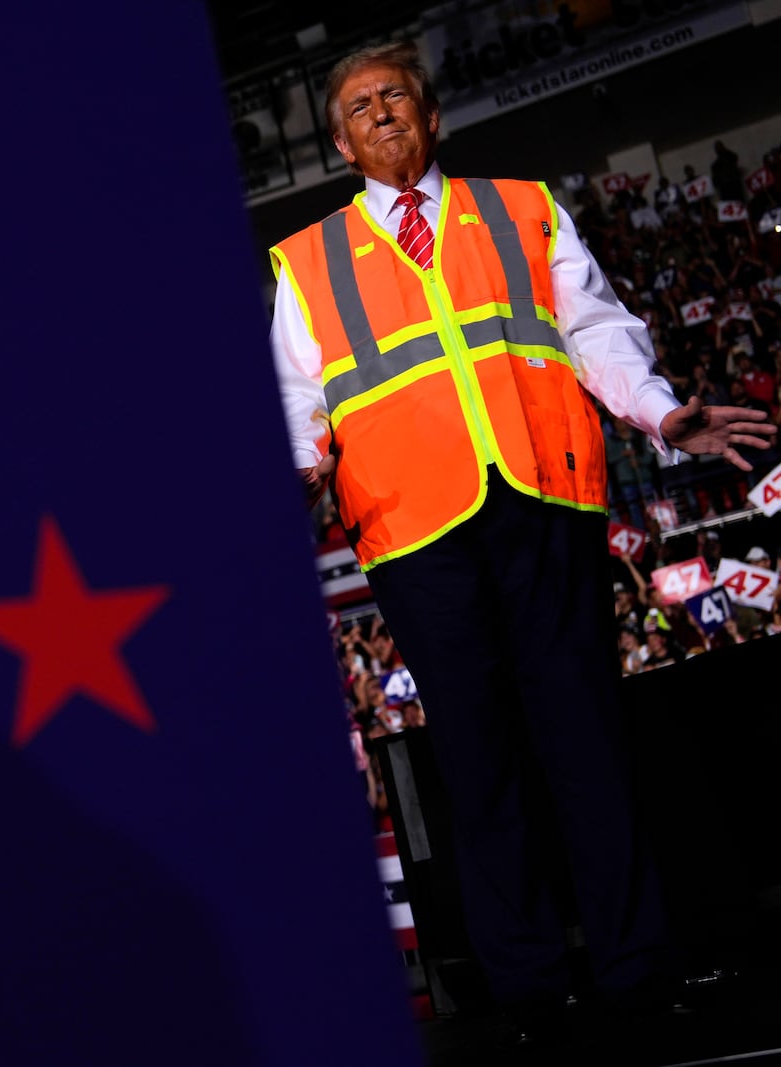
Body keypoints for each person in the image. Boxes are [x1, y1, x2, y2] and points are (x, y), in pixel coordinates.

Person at [267, 42, 778, 1036]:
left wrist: (664, 415)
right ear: (337, 141)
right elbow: (296, 399)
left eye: (396, 96)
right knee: (477, 759)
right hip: (414, 530)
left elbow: (594, 329)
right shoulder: (308, 258)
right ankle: (527, 987)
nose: (380, 112)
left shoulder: (520, 206)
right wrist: (292, 483)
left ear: (431, 116)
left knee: (588, 738)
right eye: (359, 104)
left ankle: (640, 965)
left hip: (543, 499)